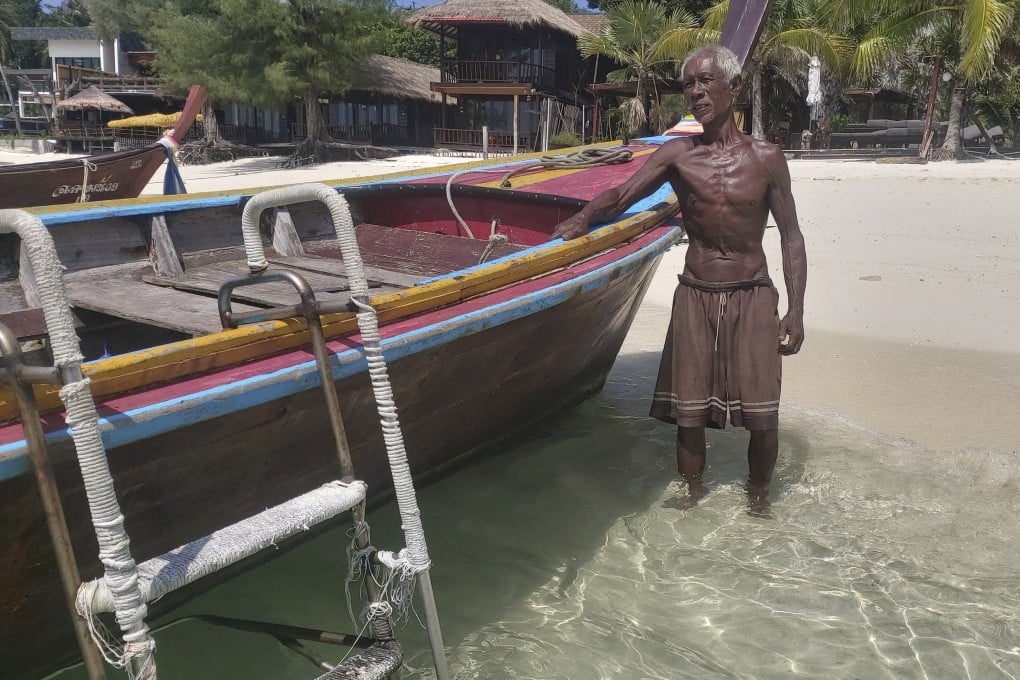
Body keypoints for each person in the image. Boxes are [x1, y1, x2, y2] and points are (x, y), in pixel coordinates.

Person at [551, 45, 806, 515]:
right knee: (688, 414)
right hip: (696, 293)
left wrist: (796, 310)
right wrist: (581, 219)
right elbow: (622, 194)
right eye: (688, 83)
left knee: (763, 416)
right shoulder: (677, 156)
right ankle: (690, 494)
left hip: (753, 294)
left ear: (733, 87)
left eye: (706, 81)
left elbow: (791, 236)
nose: (695, 91)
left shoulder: (768, 158)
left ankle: (758, 499)